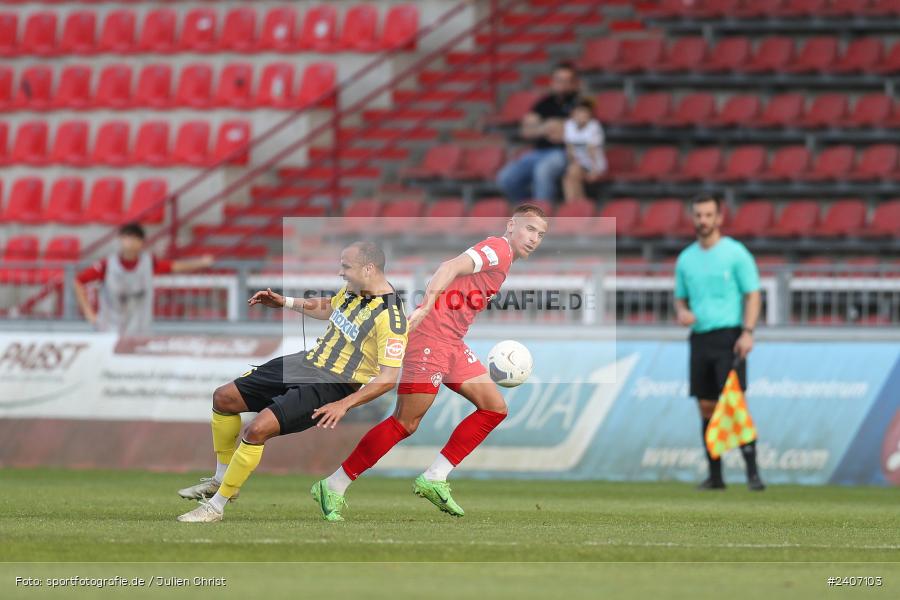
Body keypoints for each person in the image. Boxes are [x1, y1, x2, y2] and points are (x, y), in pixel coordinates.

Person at [311, 204, 549, 522]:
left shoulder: (503, 260)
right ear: (511, 226)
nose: (534, 238)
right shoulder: (498, 250)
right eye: (530, 229)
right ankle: (334, 485)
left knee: (494, 408)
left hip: (451, 343)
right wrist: (425, 308)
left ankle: (435, 477)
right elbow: (449, 266)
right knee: (405, 422)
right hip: (430, 340)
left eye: (541, 234)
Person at [176, 241, 408, 523]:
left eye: (346, 266)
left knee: (257, 429)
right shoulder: (353, 291)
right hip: (306, 363)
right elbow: (329, 307)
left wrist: (343, 405)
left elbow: (387, 378)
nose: (341, 272)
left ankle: (216, 506)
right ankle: (221, 478)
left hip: (332, 385)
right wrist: (285, 302)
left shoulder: (392, 317)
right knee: (224, 398)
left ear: (369, 268)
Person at [674, 194, 765, 492]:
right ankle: (716, 476)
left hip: (729, 336)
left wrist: (748, 331)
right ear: (694, 218)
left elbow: (752, 293)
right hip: (700, 338)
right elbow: (680, 299)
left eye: (708, 215)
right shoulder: (686, 258)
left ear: (719, 218)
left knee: (735, 404)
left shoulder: (736, 253)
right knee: (705, 406)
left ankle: (753, 474)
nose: (703, 220)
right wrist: (683, 312)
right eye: (699, 215)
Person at [73, 222, 213, 336]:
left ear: (141, 242)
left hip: (138, 331)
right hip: (109, 329)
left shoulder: (149, 263)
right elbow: (79, 281)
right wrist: (88, 312)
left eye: (135, 238)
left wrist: (200, 263)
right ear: (120, 239)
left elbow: (174, 266)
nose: (130, 242)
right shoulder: (107, 265)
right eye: (127, 237)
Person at [496, 63, 580, 203]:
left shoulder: (581, 103)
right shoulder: (544, 103)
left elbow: (566, 133)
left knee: (542, 171)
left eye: (567, 81)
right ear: (552, 82)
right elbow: (526, 130)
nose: (562, 85)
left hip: (564, 153)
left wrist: (542, 128)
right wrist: (546, 127)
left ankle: (541, 218)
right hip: (538, 152)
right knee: (505, 177)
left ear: (575, 83)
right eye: (559, 80)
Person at [562, 98, 607, 203]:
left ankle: (577, 209)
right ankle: (578, 207)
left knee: (571, 175)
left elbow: (592, 151)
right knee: (569, 179)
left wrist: (595, 171)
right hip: (579, 163)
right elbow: (569, 149)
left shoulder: (594, 126)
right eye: (578, 112)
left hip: (594, 164)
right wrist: (573, 163)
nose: (581, 115)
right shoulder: (569, 125)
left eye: (584, 112)